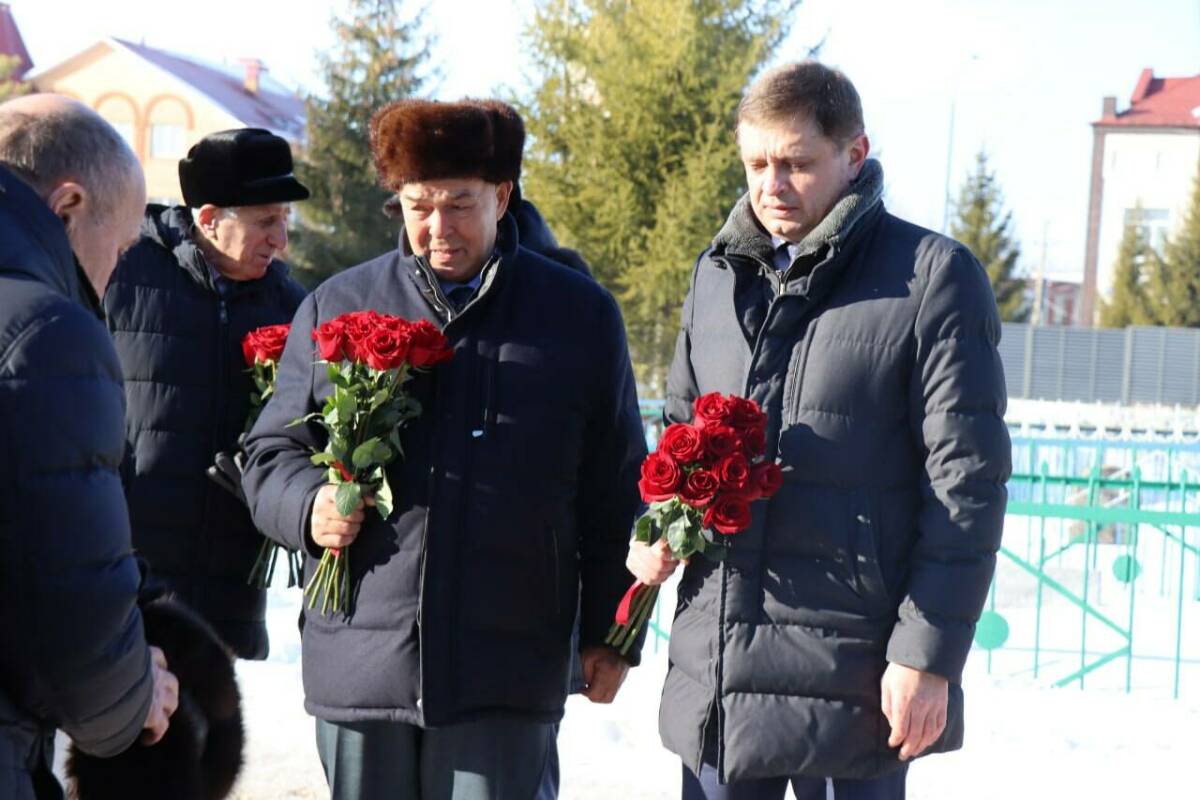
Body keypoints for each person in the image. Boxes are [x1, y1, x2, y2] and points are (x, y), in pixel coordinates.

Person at [626, 61, 1012, 799]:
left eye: (798, 164)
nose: (772, 185)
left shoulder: (932, 277)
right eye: (757, 164)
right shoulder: (716, 273)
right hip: (719, 672)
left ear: (854, 155)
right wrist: (657, 525)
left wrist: (927, 656)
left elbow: (967, 484)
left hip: (857, 677)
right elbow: (679, 429)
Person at [241, 98, 646, 799]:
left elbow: (615, 486)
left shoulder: (577, 316)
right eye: (418, 205)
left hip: (509, 664)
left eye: (460, 205)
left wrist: (616, 632)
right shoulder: (339, 306)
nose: (438, 228)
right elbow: (269, 453)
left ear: (503, 196)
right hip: (362, 657)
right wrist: (308, 509)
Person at [0, 94, 179, 800]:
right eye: (124, 245)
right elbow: (71, 598)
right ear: (69, 204)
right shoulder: (46, 333)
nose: (115, 273)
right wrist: (139, 696)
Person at [103, 128, 310, 660]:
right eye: (266, 222)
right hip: (120, 572)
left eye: (284, 221)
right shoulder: (119, 273)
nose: (280, 240)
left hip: (225, 589)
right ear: (209, 218)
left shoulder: (292, 305)